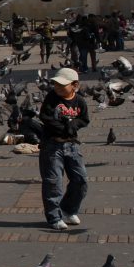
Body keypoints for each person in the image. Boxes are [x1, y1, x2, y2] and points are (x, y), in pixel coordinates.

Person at [38, 67, 89, 231]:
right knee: (54, 183)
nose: (57, 88)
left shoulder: (80, 101)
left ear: (75, 85)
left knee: (80, 180)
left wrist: (73, 125)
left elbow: (84, 119)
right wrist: (63, 128)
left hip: (72, 145)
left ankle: (68, 209)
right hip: (52, 146)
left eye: (62, 85)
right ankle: (54, 217)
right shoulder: (52, 98)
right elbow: (44, 117)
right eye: (56, 84)